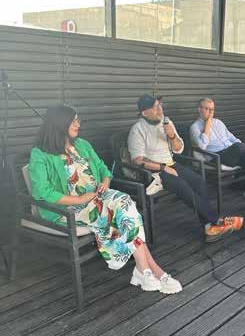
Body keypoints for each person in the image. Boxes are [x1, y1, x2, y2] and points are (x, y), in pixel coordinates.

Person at [29, 104, 182, 294]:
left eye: (78, 120)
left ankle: (144, 270)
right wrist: (79, 199)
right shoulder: (40, 154)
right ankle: (152, 271)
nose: (78, 124)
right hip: (69, 207)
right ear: (60, 123)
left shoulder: (82, 145)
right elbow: (41, 191)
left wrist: (105, 182)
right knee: (122, 212)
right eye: (73, 121)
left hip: (97, 197)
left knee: (125, 202)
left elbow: (103, 168)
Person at [128, 95, 243, 242]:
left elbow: (179, 149)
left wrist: (171, 136)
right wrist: (163, 168)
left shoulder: (167, 123)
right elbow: (138, 160)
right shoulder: (137, 130)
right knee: (183, 186)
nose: (160, 109)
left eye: (160, 105)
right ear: (145, 113)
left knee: (198, 181)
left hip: (170, 163)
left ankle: (208, 227)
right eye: (155, 107)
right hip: (153, 171)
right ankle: (216, 221)